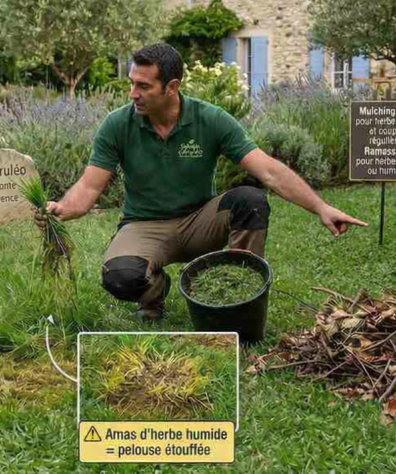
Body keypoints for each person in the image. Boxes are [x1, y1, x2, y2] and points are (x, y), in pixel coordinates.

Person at [37, 43, 367, 321]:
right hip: (144, 225)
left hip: (200, 223)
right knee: (120, 277)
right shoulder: (117, 125)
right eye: (132, 83)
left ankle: (237, 292)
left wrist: (320, 207)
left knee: (250, 200)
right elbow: (90, 187)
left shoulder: (208, 119)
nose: (132, 93)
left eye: (143, 86)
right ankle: (154, 292)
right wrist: (61, 208)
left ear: (172, 87)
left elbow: (268, 171)